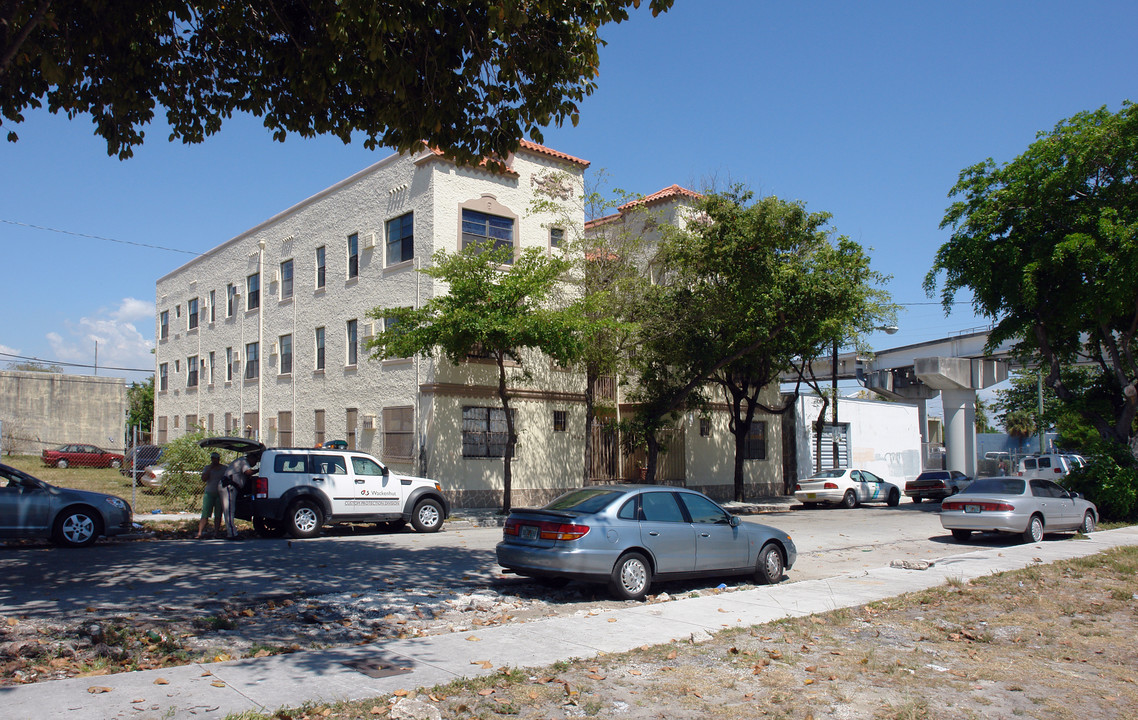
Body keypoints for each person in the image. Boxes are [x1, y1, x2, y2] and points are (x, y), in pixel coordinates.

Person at [220, 454, 254, 540]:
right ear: (251, 458)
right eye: (255, 461)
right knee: (229, 510)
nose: (254, 463)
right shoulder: (244, 461)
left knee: (230, 510)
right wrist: (259, 470)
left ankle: (231, 532)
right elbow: (248, 472)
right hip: (229, 486)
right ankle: (232, 534)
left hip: (230, 487)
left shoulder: (240, 461)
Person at [195, 452, 226, 539]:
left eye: (216, 458)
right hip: (209, 492)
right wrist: (210, 469)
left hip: (220, 493)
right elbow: (203, 479)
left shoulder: (224, 468)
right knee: (205, 513)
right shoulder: (207, 468)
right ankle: (200, 533)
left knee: (218, 514)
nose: (214, 460)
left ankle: (216, 533)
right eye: (213, 458)